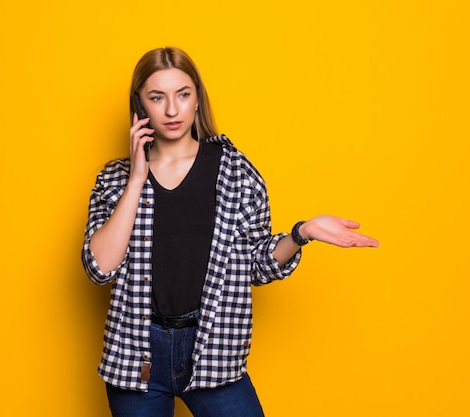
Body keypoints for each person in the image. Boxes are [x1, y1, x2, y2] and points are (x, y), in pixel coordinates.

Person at [82, 46, 379, 417]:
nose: (172, 110)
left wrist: (302, 232)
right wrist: (137, 178)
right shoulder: (114, 179)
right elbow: (99, 268)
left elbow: (256, 264)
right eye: (157, 97)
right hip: (135, 353)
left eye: (183, 94)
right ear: (139, 105)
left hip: (213, 348)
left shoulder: (235, 172)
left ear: (197, 100)